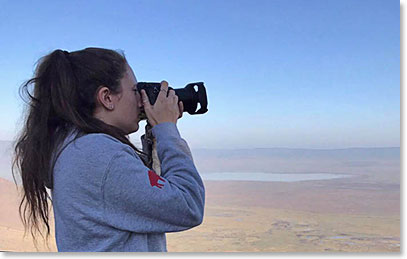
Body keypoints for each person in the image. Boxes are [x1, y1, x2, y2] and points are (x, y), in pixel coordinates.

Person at [12, 47, 205, 252]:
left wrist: (156, 133)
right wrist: (167, 130)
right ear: (107, 98)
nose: (141, 99)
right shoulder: (99, 155)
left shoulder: (75, 148)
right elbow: (188, 204)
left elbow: (151, 200)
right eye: (135, 90)